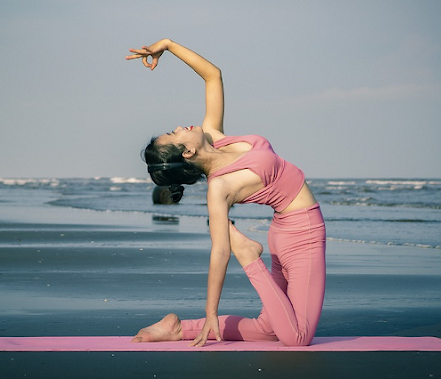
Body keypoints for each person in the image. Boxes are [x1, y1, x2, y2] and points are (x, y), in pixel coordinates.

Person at [125, 39, 326, 347]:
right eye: (174, 132)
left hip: (284, 232)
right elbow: (220, 251)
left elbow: (212, 75)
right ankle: (249, 258)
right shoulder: (218, 187)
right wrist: (211, 309)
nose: (180, 125)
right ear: (188, 150)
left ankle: (179, 328)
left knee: (270, 329)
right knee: (296, 338)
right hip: (305, 235)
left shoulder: (216, 137)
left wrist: (167, 45)